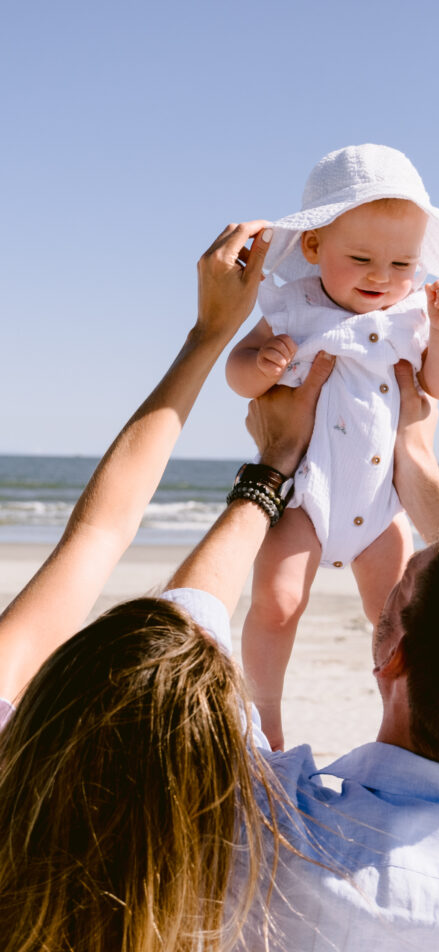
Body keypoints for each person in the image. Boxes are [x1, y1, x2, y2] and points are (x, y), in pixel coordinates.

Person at [0, 222, 439, 951]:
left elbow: (128, 576)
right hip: (337, 497)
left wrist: (257, 433)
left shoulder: (275, 854)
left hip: (314, 484)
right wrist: (415, 457)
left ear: (391, 653)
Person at [0, 220, 334, 952]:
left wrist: (208, 336)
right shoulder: (230, 906)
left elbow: (96, 535)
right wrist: (274, 465)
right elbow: (117, 554)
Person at [226, 142, 439, 749]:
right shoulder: (293, 305)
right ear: (313, 247)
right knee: (278, 603)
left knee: (397, 617)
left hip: (383, 502)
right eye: (362, 258)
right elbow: (237, 378)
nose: (382, 277)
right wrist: (260, 363)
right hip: (302, 499)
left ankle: (404, 714)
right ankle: (266, 716)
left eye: (402, 264)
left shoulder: (416, 313)